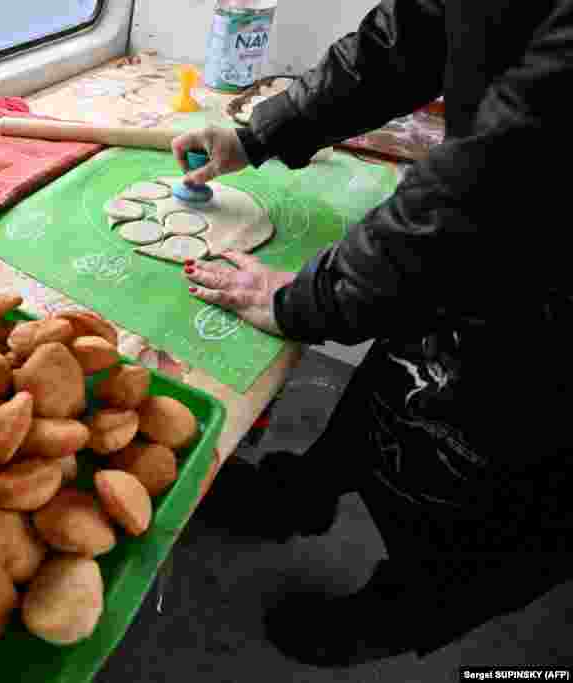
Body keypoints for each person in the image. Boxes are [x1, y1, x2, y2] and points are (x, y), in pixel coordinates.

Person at [171, 0, 573, 667]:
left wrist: (312, 295)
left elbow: (511, 169)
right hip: (488, 228)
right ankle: (302, 494)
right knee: (405, 371)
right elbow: (409, 35)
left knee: (513, 488)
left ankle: (387, 616)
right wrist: (261, 133)